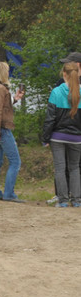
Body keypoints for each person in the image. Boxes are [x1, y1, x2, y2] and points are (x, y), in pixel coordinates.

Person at [42, 62, 81, 207]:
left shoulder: (56, 92)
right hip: (77, 138)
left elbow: (50, 119)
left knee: (60, 168)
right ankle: (77, 201)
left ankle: (63, 201)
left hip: (58, 137)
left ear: (64, 74)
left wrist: (45, 138)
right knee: (75, 168)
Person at [0, 61, 25, 202]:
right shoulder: (1, 89)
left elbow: (1, 108)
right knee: (15, 161)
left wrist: (15, 99)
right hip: (1, 129)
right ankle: (9, 194)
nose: (8, 73)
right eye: (7, 71)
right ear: (2, 72)